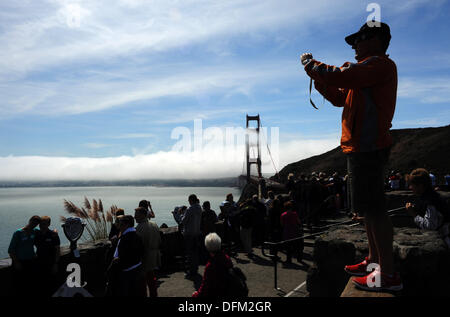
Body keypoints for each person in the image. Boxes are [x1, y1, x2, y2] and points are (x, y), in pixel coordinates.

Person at [301, 21, 402, 291]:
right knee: (368, 211)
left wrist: (312, 65)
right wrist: (318, 79)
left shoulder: (379, 65)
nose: (354, 45)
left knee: (376, 211)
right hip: (359, 147)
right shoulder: (366, 74)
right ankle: (374, 260)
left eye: (358, 39)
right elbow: (339, 98)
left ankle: (388, 274)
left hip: (368, 147)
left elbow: (341, 76)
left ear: (375, 40)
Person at [405, 169, 449, 236]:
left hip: (442, 239)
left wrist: (414, 214)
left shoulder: (430, 201)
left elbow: (430, 227)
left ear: (420, 185)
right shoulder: (431, 196)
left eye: (412, 185)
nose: (410, 187)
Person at [108, 215, 144, 296]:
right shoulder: (137, 235)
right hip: (137, 267)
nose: (118, 225)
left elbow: (124, 257)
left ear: (126, 224)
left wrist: (117, 260)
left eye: (120, 223)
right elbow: (141, 251)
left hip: (127, 271)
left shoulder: (125, 238)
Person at [192, 233, 233, 297]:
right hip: (228, 290)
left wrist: (196, 294)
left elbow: (205, 286)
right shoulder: (226, 258)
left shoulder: (211, 265)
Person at [8, 215, 41, 295]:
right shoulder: (18, 233)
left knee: (29, 284)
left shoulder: (35, 231)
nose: (33, 225)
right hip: (19, 262)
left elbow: (45, 232)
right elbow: (11, 250)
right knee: (19, 284)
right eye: (33, 222)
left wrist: (55, 231)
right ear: (30, 221)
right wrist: (16, 262)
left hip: (31, 261)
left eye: (36, 224)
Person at [135, 207, 161, 297]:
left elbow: (138, 245)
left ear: (142, 215)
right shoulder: (154, 224)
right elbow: (160, 239)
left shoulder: (138, 228)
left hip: (144, 257)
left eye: (136, 215)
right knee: (151, 279)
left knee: (142, 282)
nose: (135, 217)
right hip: (154, 255)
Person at [176, 194, 202, 279]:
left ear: (191, 200)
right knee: (195, 252)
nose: (188, 202)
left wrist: (180, 213)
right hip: (197, 233)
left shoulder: (190, 209)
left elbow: (183, 221)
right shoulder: (199, 208)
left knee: (190, 253)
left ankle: (191, 272)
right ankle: (195, 269)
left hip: (189, 234)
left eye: (189, 200)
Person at [34, 216, 60, 296]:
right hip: (39, 263)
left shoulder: (53, 235)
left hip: (51, 263)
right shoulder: (36, 234)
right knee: (41, 285)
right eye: (40, 224)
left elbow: (58, 250)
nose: (42, 226)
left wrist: (55, 264)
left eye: (44, 224)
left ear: (49, 224)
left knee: (52, 284)